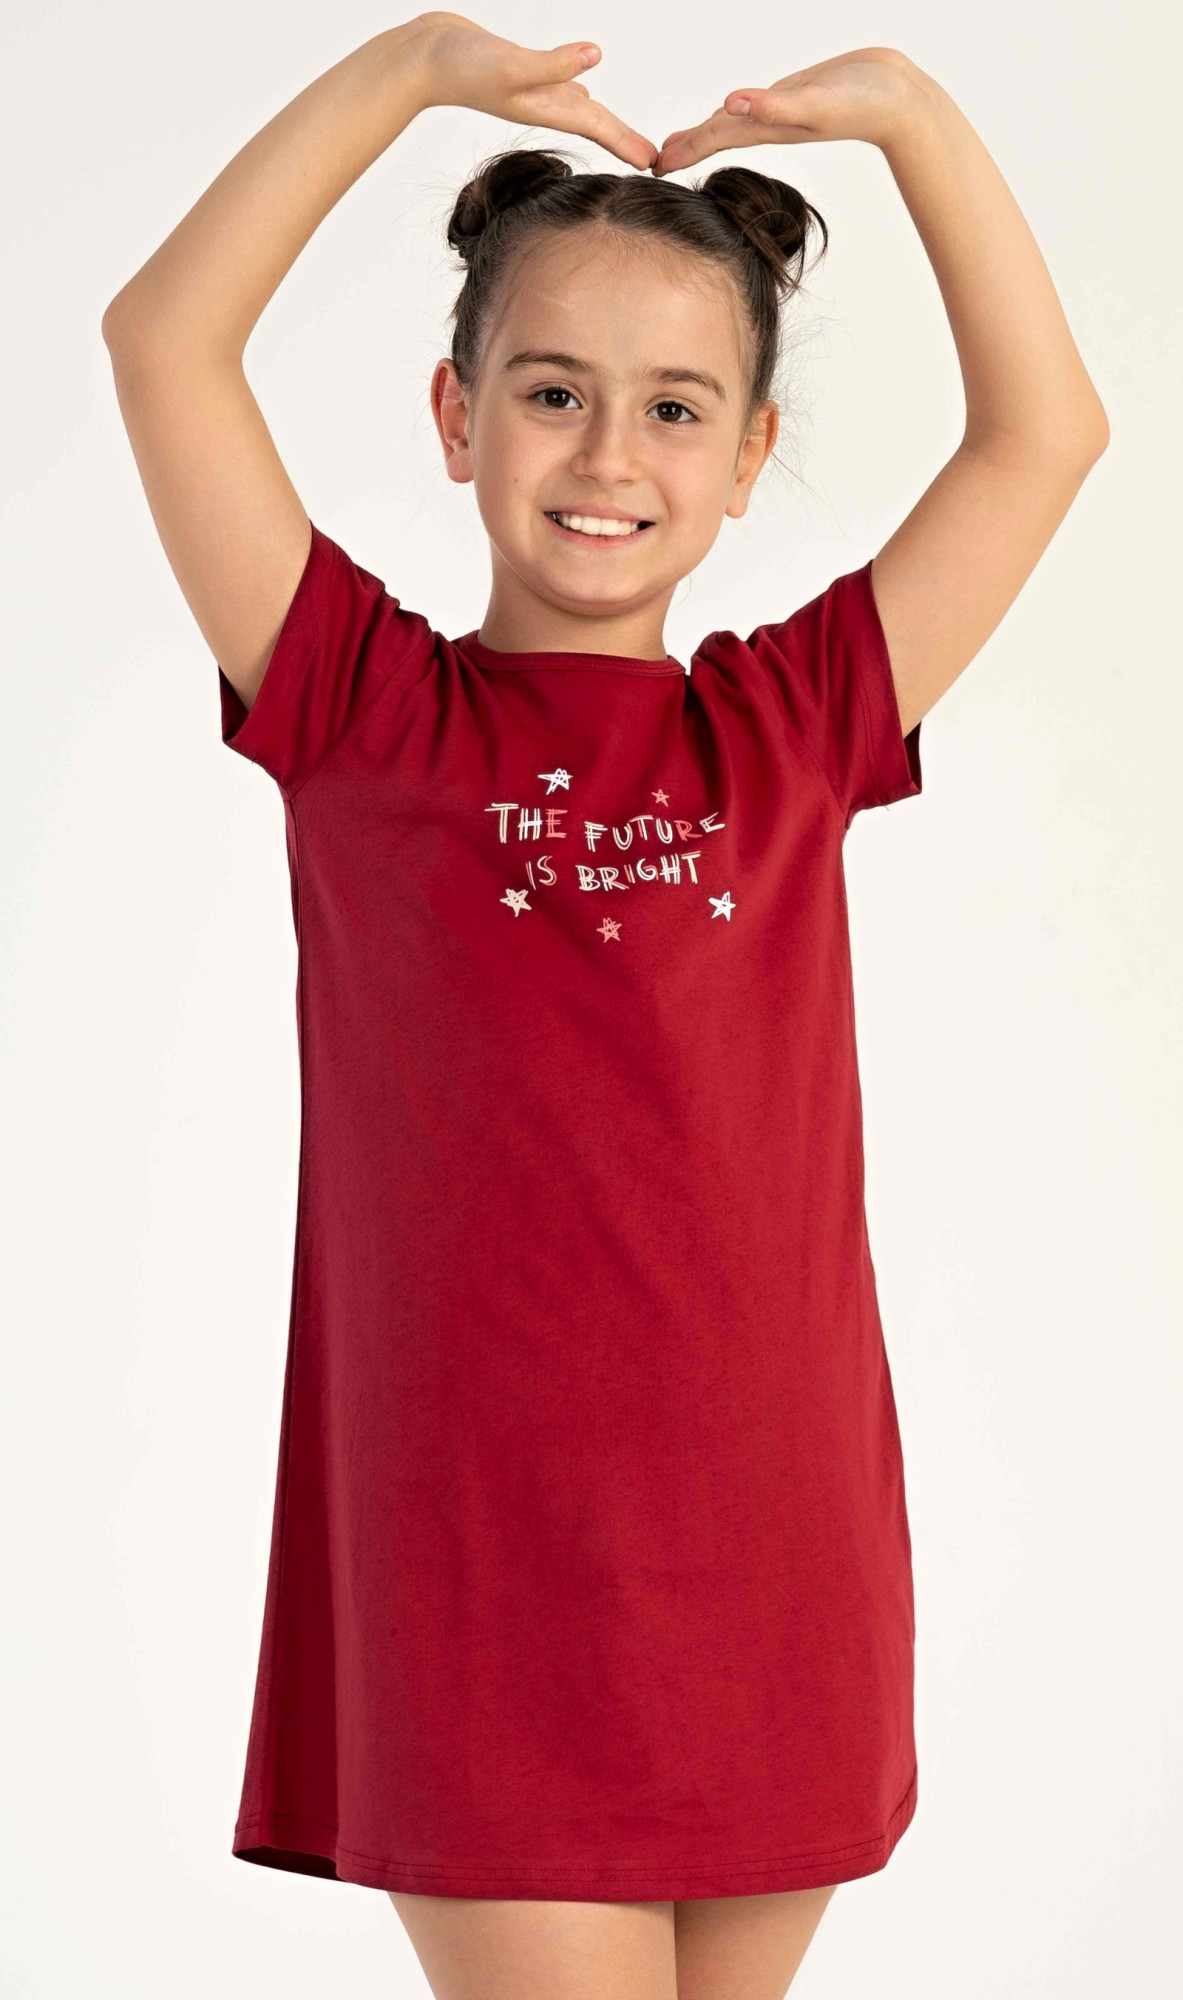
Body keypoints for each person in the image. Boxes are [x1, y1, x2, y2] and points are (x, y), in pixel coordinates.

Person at [101, 14, 1108, 1998]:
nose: (607, 456)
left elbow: (1043, 437)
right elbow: (163, 346)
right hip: (486, 1589)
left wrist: (914, 119)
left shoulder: (794, 721)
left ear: (746, 461)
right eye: (552, 391)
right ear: (455, 414)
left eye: (673, 408)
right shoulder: (359, 705)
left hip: (774, 1564)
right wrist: (404, 74)